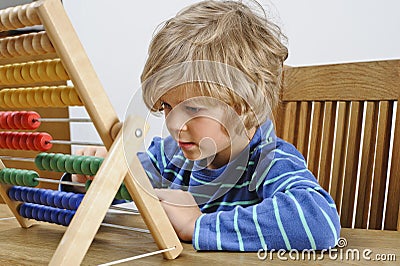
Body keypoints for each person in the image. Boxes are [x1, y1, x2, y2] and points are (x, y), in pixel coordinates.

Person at [67, 0, 340, 252]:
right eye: (166, 106)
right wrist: (92, 177)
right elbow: (121, 189)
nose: (174, 125)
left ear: (243, 106)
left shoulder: (269, 160)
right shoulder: (169, 156)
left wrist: (197, 225)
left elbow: (318, 222)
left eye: (193, 108)